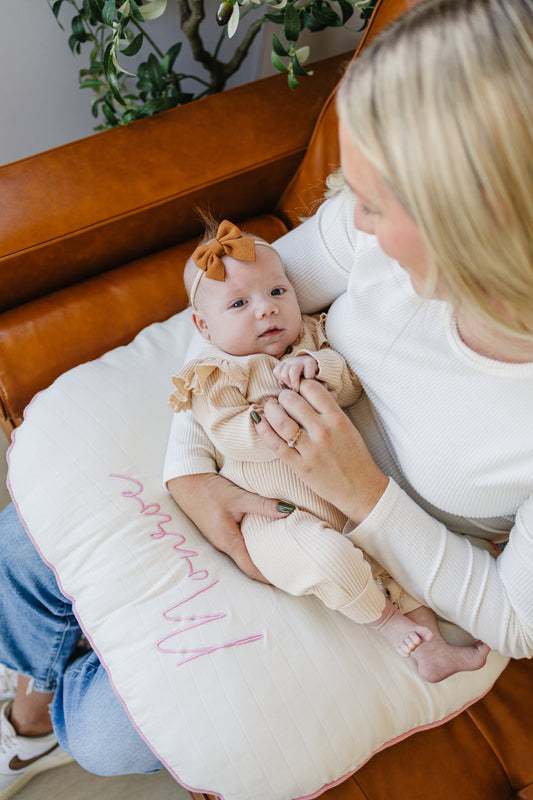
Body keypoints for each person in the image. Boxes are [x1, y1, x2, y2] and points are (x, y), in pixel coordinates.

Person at [1, 0, 532, 793]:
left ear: (469, 224)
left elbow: (515, 620)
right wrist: (191, 473)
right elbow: (232, 308)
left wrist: (363, 492)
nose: (351, 219)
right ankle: (29, 701)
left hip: (379, 558)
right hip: (252, 455)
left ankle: (44, 714)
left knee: (109, 735)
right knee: (17, 551)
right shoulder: (367, 235)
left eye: (374, 203)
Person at [169, 216, 489, 680]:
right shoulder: (215, 373)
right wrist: (276, 414)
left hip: (347, 495)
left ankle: (433, 649)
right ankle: (385, 622)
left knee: (397, 557)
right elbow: (227, 434)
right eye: (239, 303)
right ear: (203, 326)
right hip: (278, 517)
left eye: (277, 291)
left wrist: (317, 369)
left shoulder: (309, 341)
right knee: (330, 560)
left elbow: (351, 386)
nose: (266, 309)